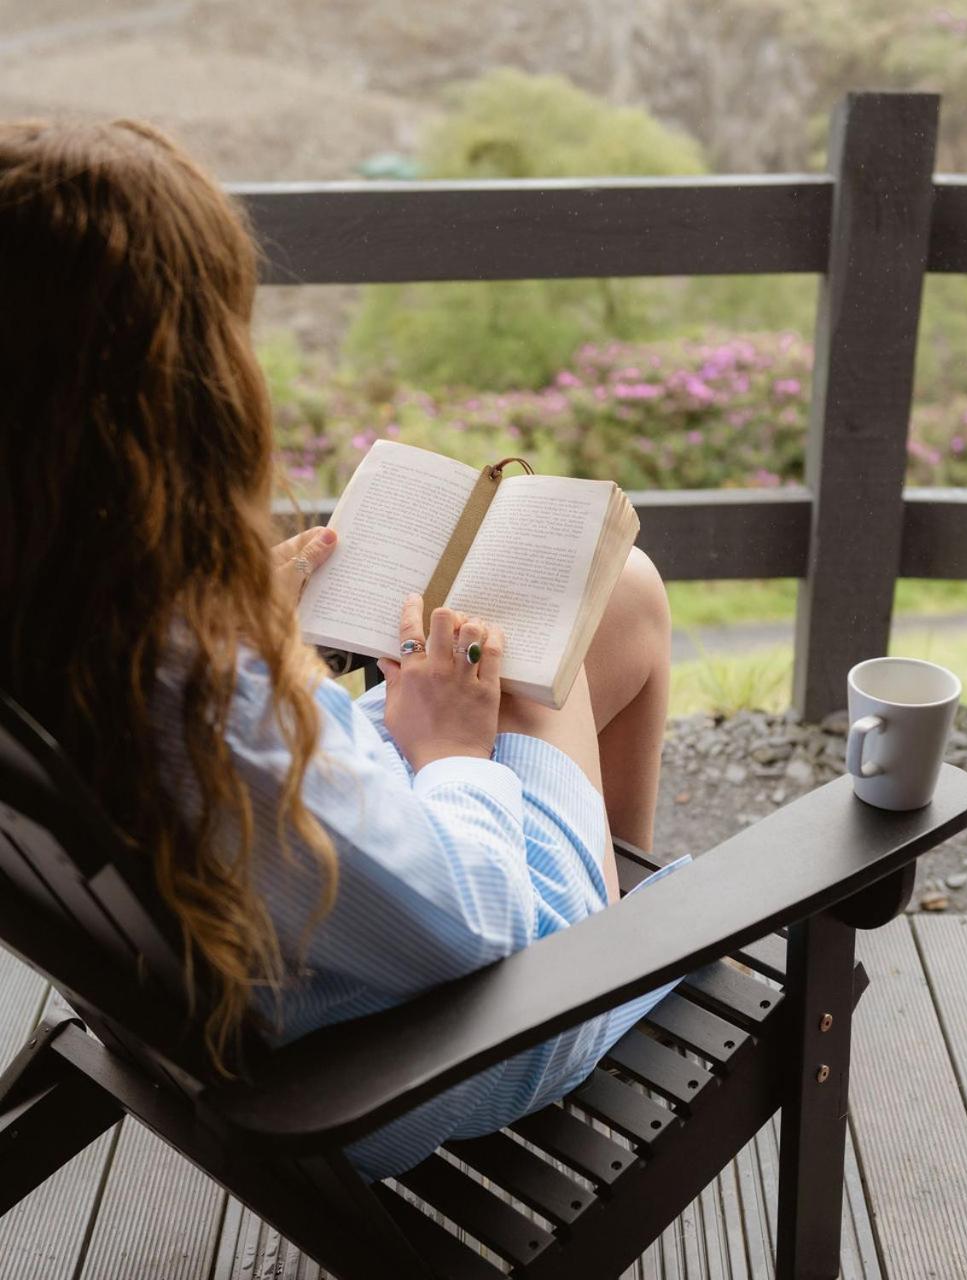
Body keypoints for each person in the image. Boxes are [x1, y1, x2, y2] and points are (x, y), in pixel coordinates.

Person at [0, 118, 688, 1181]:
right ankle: (611, 957)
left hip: (244, 971)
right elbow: (472, 919)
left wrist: (251, 626)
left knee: (603, 609)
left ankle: (598, 884)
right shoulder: (214, 707)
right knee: (587, 599)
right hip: (414, 1048)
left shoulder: (75, 623)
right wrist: (455, 745)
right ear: (177, 393)